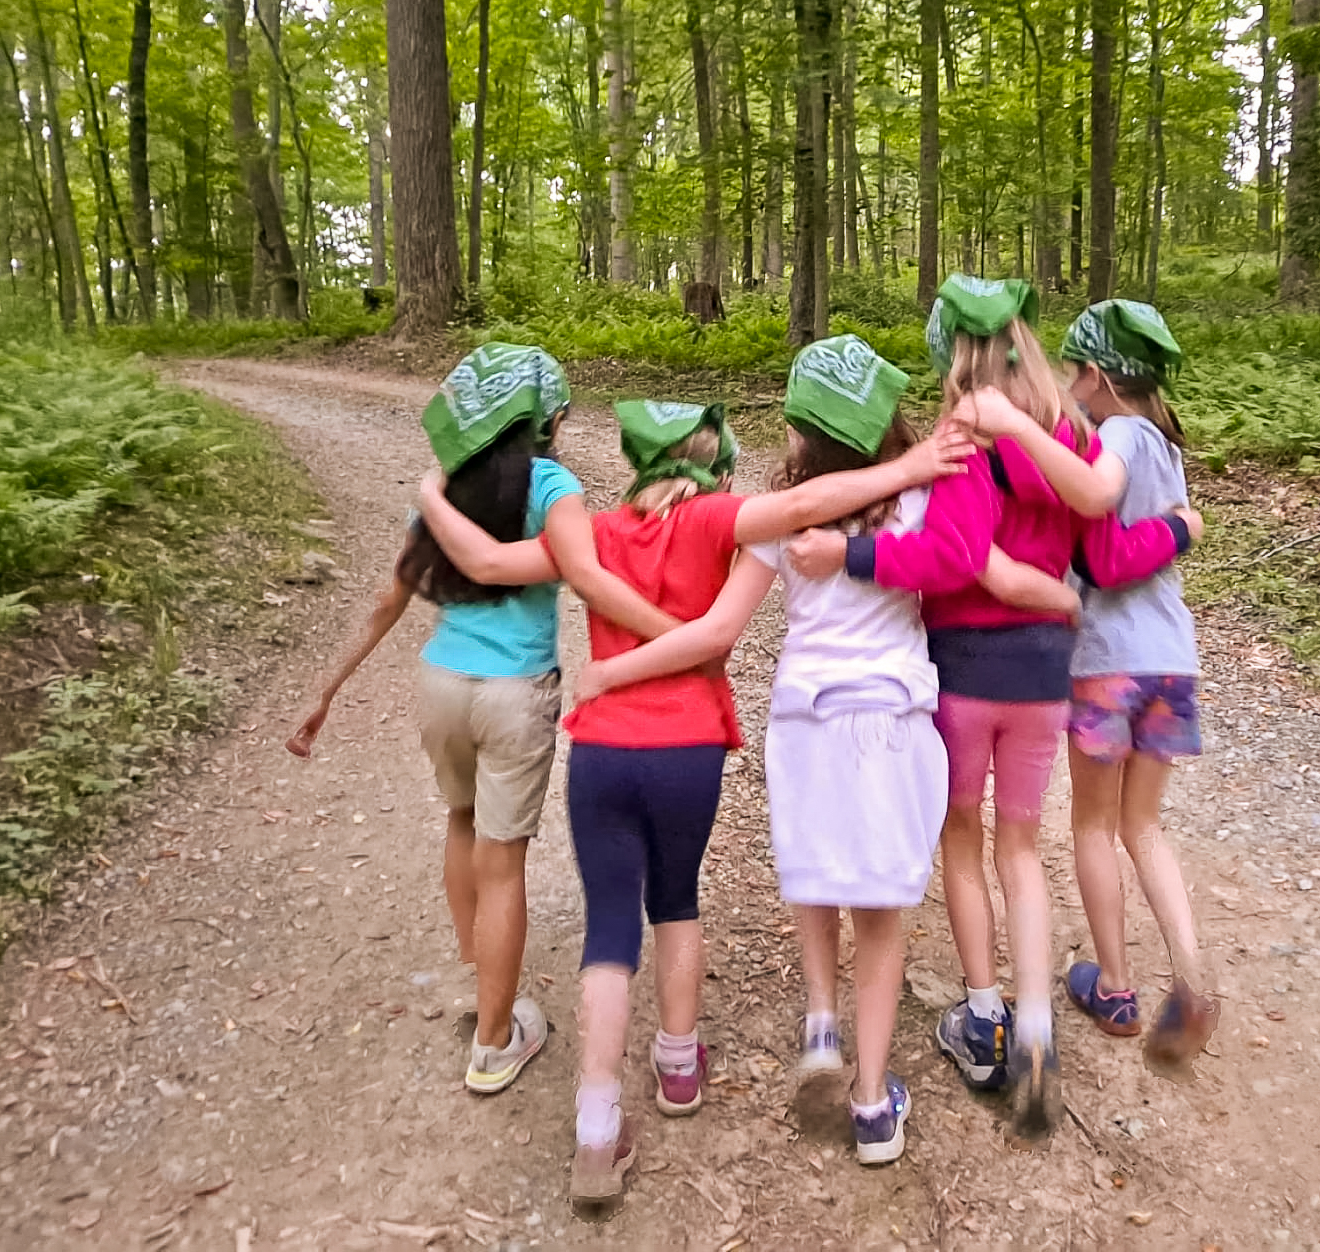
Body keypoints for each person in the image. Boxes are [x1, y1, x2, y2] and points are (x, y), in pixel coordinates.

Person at [414, 396, 972, 1207]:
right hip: (689, 748)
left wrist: (431, 495)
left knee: (610, 924)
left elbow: (493, 565)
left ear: (637, 460)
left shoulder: (596, 532)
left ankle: (597, 1122)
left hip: (602, 748)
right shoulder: (724, 519)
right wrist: (914, 467)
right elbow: (810, 509)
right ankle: (680, 1067)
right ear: (716, 460)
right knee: (676, 902)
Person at [788, 277, 1197, 1138]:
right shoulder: (1074, 437)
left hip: (966, 669)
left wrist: (855, 555)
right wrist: (1162, 538)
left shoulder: (968, 436)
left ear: (950, 358)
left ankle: (984, 1013)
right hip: (1047, 678)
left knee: (962, 840)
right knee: (1022, 846)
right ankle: (1040, 1028)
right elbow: (1103, 543)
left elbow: (951, 554)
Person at [287, 343, 679, 1098]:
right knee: (503, 863)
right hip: (513, 693)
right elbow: (590, 578)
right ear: (549, 421)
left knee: (460, 824)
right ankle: (496, 1041)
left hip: (441, 684)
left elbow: (387, 599)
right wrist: (676, 636)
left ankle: (483, 976)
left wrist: (326, 691)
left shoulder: (447, 491)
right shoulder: (552, 485)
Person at [960, 300, 1218, 1079]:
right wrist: (1182, 529)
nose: (1067, 387)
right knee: (1145, 827)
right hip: (1172, 660)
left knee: (1094, 830)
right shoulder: (1169, 447)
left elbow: (1098, 511)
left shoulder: (1115, 438)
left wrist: (1014, 425)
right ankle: (1193, 973)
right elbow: (1150, 530)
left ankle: (1114, 987)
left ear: (1098, 376)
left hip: (1106, 660)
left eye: (1073, 374)